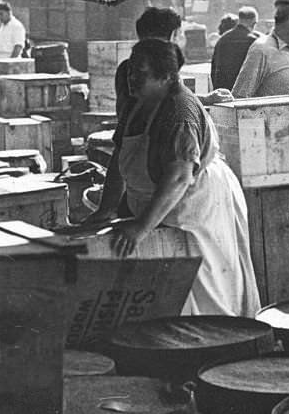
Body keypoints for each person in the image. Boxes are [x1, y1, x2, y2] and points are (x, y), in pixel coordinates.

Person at [95, 40, 261, 316]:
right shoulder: (138, 104)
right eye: (131, 72)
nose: (132, 79)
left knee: (205, 288)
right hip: (159, 207)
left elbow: (179, 177)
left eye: (141, 73)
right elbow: (120, 156)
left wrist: (141, 228)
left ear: (167, 77)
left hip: (194, 206)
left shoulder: (179, 114)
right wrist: (106, 208)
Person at [211, 6, 260, 90]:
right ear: (253, 23)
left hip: (224, 93)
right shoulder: (254, 42)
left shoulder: (222, 40)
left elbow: (214, 69)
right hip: (245, 93)